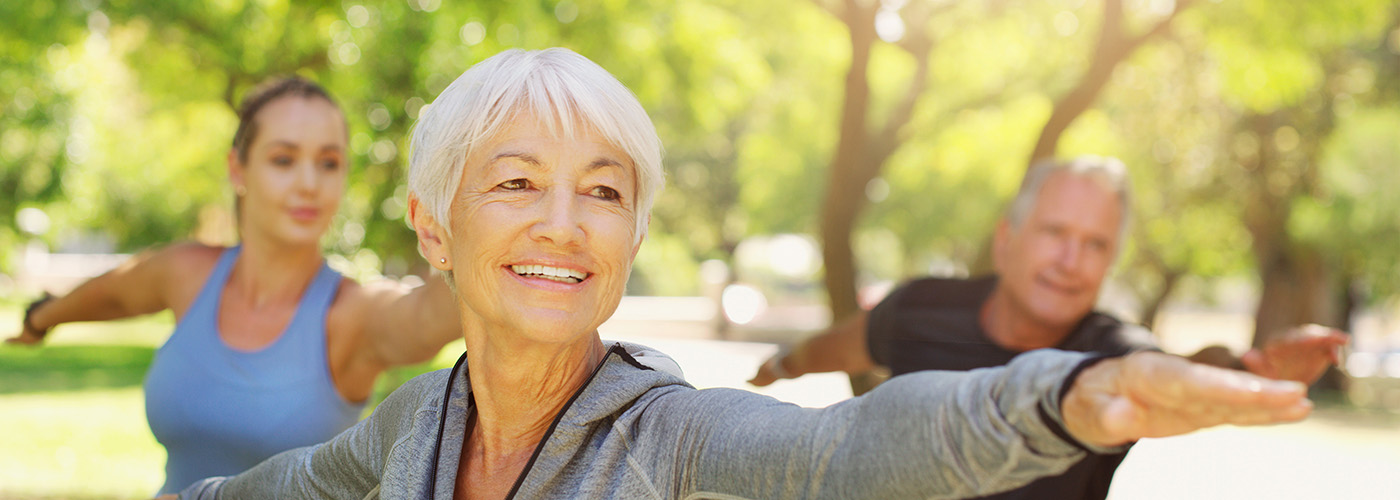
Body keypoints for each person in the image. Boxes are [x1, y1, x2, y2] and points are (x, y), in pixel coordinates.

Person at [172, 48, 1312, 500]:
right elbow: (264, 493)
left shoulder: (663, 433)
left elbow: (840, 443)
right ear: (432, 223)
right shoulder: (411, 422)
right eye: (516, 183)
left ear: (630, 236)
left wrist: (1063, 396)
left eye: (605, 191)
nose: (564, 225)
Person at [748, 156, 1347, 499]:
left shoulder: (1110, 348)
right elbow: (838, 345)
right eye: (1055, 233)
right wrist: (780, 366)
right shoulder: (923, 308)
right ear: (1007, 241)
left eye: (1094, 245)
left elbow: (1179, 372)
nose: (1070, 260)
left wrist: (1247, 370)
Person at [7, 77, 463, 495]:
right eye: (284, 159)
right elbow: (110, 293)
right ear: (238, 170)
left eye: (329, 163)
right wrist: (40, 319)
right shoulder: (186, 272)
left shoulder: (355, 315)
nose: (309, 183)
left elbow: (433, 314)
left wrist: (473, 201)